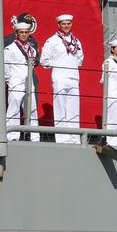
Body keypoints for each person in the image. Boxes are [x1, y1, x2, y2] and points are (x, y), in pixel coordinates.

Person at [40, 14, 84, 144]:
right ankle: (62, 139)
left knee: (74, 109)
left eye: (68, 23)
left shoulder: (76, 41)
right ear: (59, 25)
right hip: (59, 77)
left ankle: (74, 138)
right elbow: (44, 60)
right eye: (64, 24)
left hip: (74, 77)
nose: (66, 26)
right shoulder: (52, 40)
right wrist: (58, 64)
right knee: (60, 108)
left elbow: (80, 59)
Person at [4, 22, 40, 142]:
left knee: (32, 109)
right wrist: (11, 81)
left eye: (26, 32)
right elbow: (5, 67)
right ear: (16, 34)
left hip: (29, 83)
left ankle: (34, 136)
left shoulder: (32, 50)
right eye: (21, 32)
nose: (24, 35)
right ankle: (12, 136)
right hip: (16, 83)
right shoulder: (9, 49)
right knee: (13, 109)